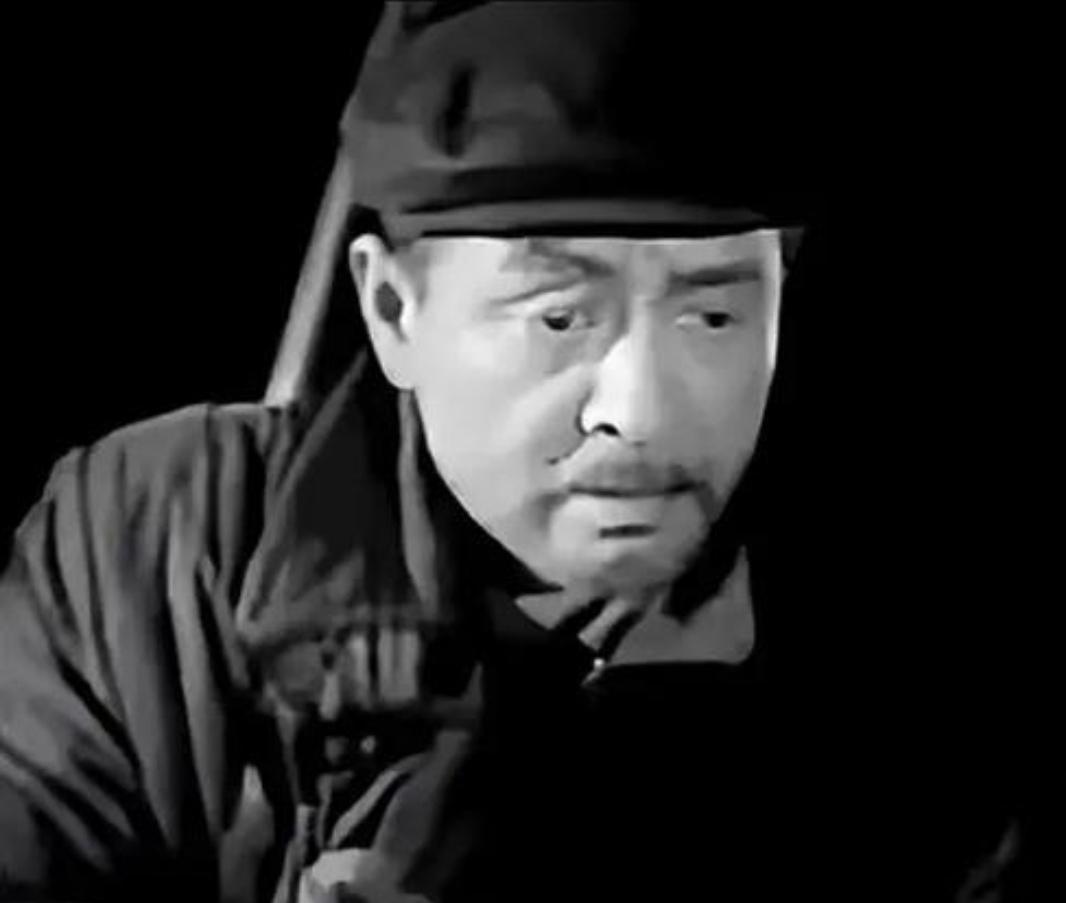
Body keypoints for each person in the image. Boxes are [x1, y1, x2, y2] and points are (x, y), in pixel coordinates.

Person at [0, 3, 1035, 901]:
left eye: (713, 315)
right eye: (559, 316)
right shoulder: (155, 545)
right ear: (394, 310)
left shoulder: (914, 651)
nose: (639, 411)